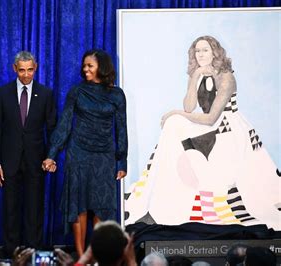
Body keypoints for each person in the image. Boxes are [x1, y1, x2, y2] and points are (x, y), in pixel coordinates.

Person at [124, 35, 280, 230]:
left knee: (175, 119)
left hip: (227, 128)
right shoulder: (197, 74)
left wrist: (174, 112)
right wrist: (196, 76)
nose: (201, 54)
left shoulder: (226, 77)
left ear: (215, 52)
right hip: (208, 126)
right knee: (174, 125)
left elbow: (212, 117)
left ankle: (207, 201)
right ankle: (159, 196)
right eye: (197, 50)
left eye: (205, 50)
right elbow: (189, 107)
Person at [42, 49, 128, 256]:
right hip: (78, 153)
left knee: (100, 206)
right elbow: (64, 124)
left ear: (102, 67)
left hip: (104, 155)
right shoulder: (77, 91)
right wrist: (51, 154)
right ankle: (81, 256)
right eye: (84, 66)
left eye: (90, 65)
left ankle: (95, 253)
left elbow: (121, 128)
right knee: (78, 204)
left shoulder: (117, 94)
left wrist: (121, 161)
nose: (85, 69)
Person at [0, 51, 57, 257]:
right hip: (9, 163)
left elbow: (53, 129)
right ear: (14, 69)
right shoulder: (3, 93)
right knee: (10, 209)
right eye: (22, 70)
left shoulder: (46, 94)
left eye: (30, 70)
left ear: (35, 67)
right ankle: (12, 253)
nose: (26, 75)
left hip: (36, 162)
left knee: (34, 210)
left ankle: (33, 252)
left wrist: (51, 156)